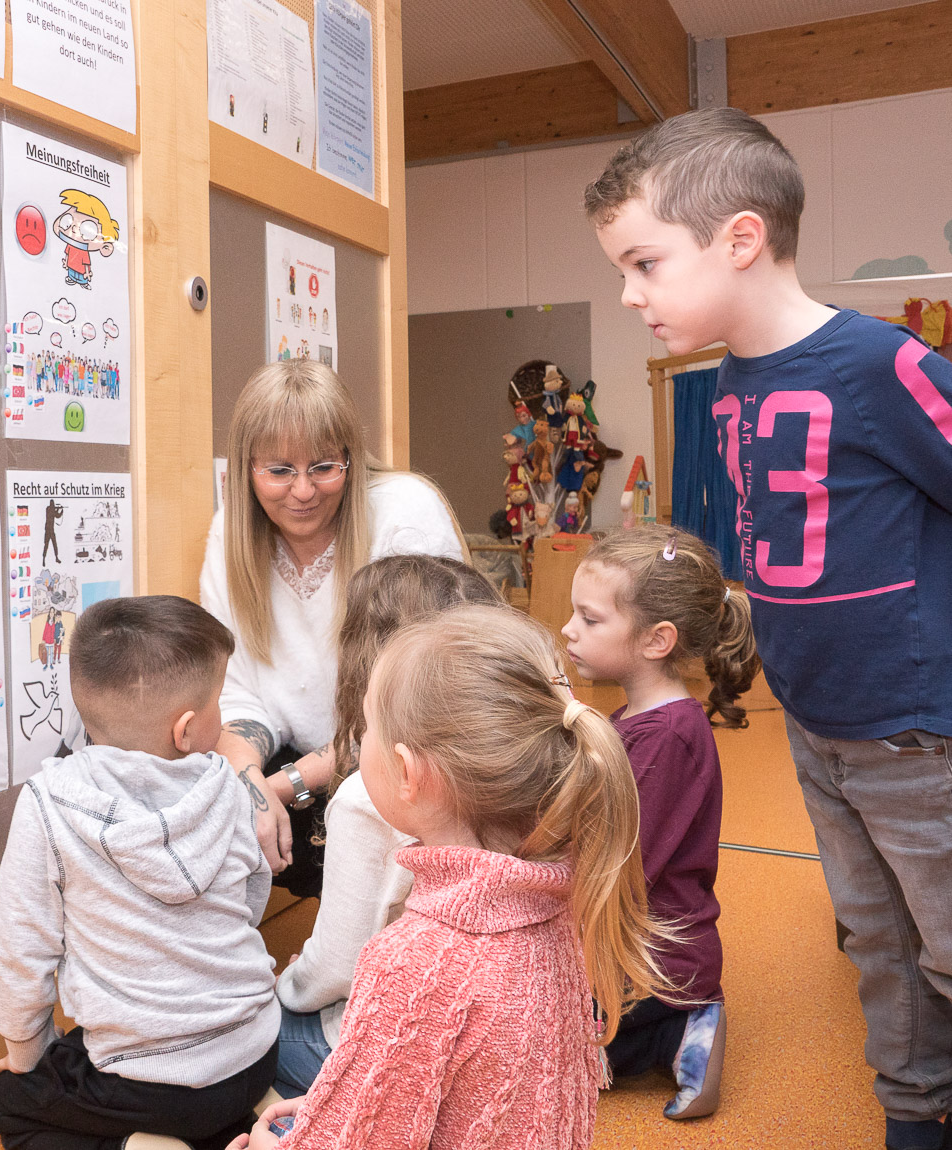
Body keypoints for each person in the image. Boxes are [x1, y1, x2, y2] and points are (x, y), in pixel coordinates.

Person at [585, 107, 952, 1150]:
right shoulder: (731, 382)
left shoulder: (880, 365)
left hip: (917, 730)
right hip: (818, 725)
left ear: (738, 239)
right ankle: (913, 1110)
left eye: (645, 262)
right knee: (880, 942)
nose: (629, 292)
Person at [230, 605, 669, 1150]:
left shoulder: (414, 962)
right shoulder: (558, 904)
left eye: (366, 727)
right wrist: (334, 1104)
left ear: (409, 774)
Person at [0, 596, 280, 1150]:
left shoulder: (50, 803)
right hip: (257, 1051)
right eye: (221, 704)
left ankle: (139, 1145)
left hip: (149, 1082)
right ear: (187, 729)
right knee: (183, 1089)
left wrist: (27, 1055)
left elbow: (21, 947)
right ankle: (247, 1119)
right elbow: (251, 898)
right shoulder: (226, 785)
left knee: (11, 1107)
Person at [200, 360, 464, 893]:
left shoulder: (404, 513)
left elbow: (419, 704)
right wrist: (250, 781)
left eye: (323, 467)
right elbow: (235, 692)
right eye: (278, 471)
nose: (302, 492)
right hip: (296, 760)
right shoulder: (231, 532)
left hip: (404, 757)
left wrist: (284, 785)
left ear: (350, 460)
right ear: (244, 471)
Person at [274, 555, 502, 1097]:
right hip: (475, 1045)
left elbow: (338, 967)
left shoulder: (366, 798)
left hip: (383, 1059)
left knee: (243, 1029)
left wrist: (286, 985)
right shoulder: (508, 765)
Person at [564, 525, 760, 1120]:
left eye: (590, 619)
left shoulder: (667, 735)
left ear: (656, 640)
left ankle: (680, 1026)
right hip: (628, 943)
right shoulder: (638, 715)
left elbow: (620, 859)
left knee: (548, 1054)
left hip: (651, 956)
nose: (569, 630)